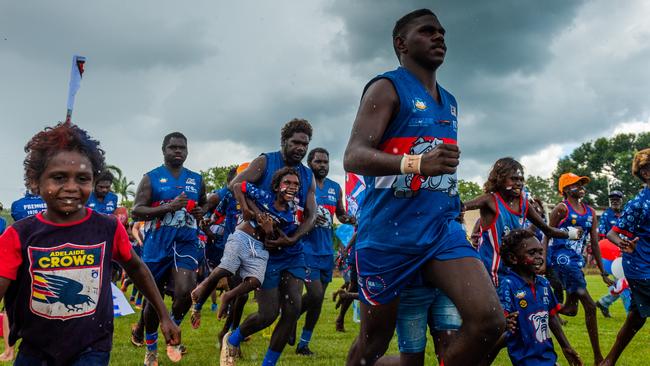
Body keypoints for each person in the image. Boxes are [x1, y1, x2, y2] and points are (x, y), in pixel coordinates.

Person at [342, 9, 504, 365]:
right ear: (401, 43)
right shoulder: (386, 87)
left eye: (442, 32)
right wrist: (417, 163)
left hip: (441, 230)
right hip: (389, 234)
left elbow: (441, 173)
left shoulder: (452, 101)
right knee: (374, 343)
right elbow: (353, 156)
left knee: (490, 322)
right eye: (428, 31)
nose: (439, 37)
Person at [0, 122, 179, 365]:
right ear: (36, 181)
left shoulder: (107, 228)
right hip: (35, 348)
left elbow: (136, 268)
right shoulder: (18, 235)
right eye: (59, 177)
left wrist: (164, 315)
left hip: (92, 346)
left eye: (82, 178)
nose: (72, 187)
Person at [220, 119, 317, 366]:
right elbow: (235, 185)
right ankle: (233, 339)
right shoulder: (265, 161)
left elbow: (311, 214)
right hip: (264, 251)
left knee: (293, 309)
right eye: (295, 142)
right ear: (284, 141)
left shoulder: (307, 175)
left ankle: (268, 363)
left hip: (292, 250)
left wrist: (293, 237)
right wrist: (252, 212)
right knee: (267, 314)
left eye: (305, 144)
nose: (300, 148)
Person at [132, 132, 207, 365]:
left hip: (185, 242)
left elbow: (203, 203)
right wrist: (169, 207)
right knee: (154, 301)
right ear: (164, 150)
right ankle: (151, 350)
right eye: (173, 147)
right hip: (157, 245)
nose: (178, 151)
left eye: (182, 148)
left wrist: (201, 211)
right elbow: (137, 211)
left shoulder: (196, 178)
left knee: (186, 291)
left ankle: (172, 327)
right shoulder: (151, 178)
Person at [194, 167, 301, 326]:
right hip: (240, 238)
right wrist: (245, 210)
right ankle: (200, 296)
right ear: (277, 186)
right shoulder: (259, 195)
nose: (292, 186)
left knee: (255, 282)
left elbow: (275, 235)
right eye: (287, 182)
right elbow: (236, 190)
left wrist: (270, 230)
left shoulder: (288, 213)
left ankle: (228, 304)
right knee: (226, 268)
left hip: (258, 248)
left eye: (296, 184)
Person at [463, 157, 569, 286]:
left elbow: (547, 230)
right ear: (500, 179)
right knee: (497, 306)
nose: (518, 183)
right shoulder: (490, 201)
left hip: (515, 271)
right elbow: (460, 207)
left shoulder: (524, 204)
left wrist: (570, 234)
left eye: (521, 180)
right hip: (491, 270)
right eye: (514, 179)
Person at [548, 172, 613, 364]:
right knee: (590, 307)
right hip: (561, 259)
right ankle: (598, 357)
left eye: (582, 183)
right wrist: (543, 260)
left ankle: (550, 307)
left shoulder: (591, 212)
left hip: (576, 261)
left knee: (571, 309)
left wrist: (602, 272)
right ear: (566, 189)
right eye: (576, 184)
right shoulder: (561, 209)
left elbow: (594, 243)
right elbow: (546, 234)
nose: (581, 186)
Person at [295, 148, 354, 355]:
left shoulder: (335, 187)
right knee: (316, 294)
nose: (323, 165)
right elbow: (293, 213)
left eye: (326, 162)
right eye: (318, 162)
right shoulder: (302, 186)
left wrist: (352, 219)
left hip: (326, 252)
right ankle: (291, 317)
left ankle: (303, 343)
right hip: (306, 249)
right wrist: (308, 219)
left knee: (317, 300)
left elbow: (340, 213)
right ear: (310, 163)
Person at [498, 229, 582, 366]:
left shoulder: (543, 283)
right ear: (513, 258)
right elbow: (502, 320)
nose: (539, 257)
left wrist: (566, 347)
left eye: (540, 252)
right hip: (525, 361)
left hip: (548, 359)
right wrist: (505, 321)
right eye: (532, 253)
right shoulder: (509, 285)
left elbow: (552, 317)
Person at [601, 148, 650, 366]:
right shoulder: (638, 204)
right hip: (641, 267)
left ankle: (608, 361)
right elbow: (613, 232)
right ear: (646, 172)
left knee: (635, 319)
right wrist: (623, 243)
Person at [596, 190, 625, 317]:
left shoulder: (625, 214)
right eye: (612, 198)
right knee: (622, 282)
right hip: (611, 255)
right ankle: (631, 311)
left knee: (623, 282)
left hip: (624, 252)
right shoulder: (606, 215)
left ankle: (604, 302)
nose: (614, 200)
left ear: (621, 200)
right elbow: (602, 238)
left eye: (617, 198)